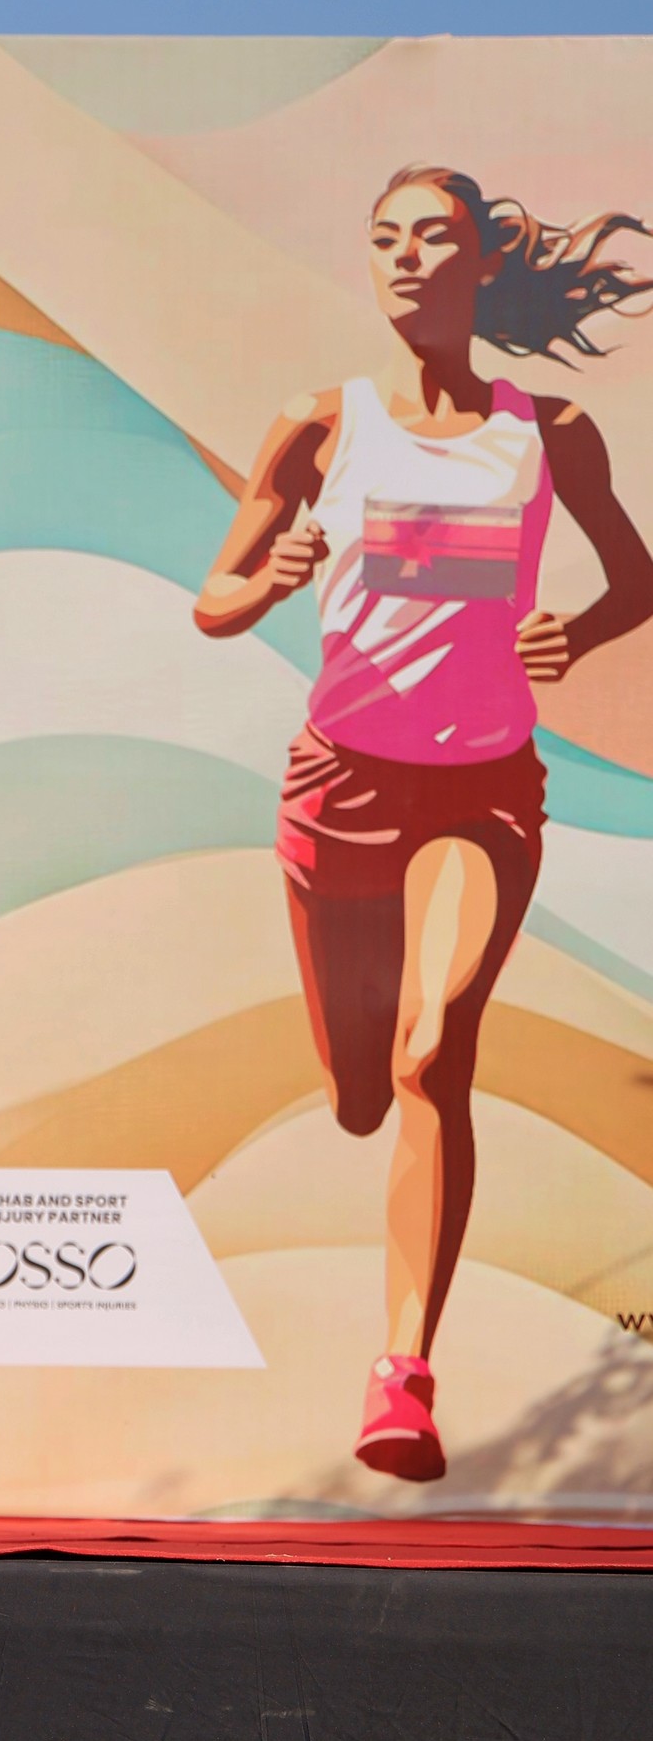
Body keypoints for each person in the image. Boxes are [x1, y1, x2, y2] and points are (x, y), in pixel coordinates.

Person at [196, 166, 653, 1482]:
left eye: (431, 237)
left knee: (431, 1055)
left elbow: (636, 578)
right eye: (384, 238)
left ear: (479, 261)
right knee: (357, 1085)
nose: (403, 257)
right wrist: (267, 580)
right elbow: (213, 600)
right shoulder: (320, 426)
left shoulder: (547, 432)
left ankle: (402, 1377)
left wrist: (581, 631)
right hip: (343, 784)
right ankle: (355, 1086)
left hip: (482, 791)